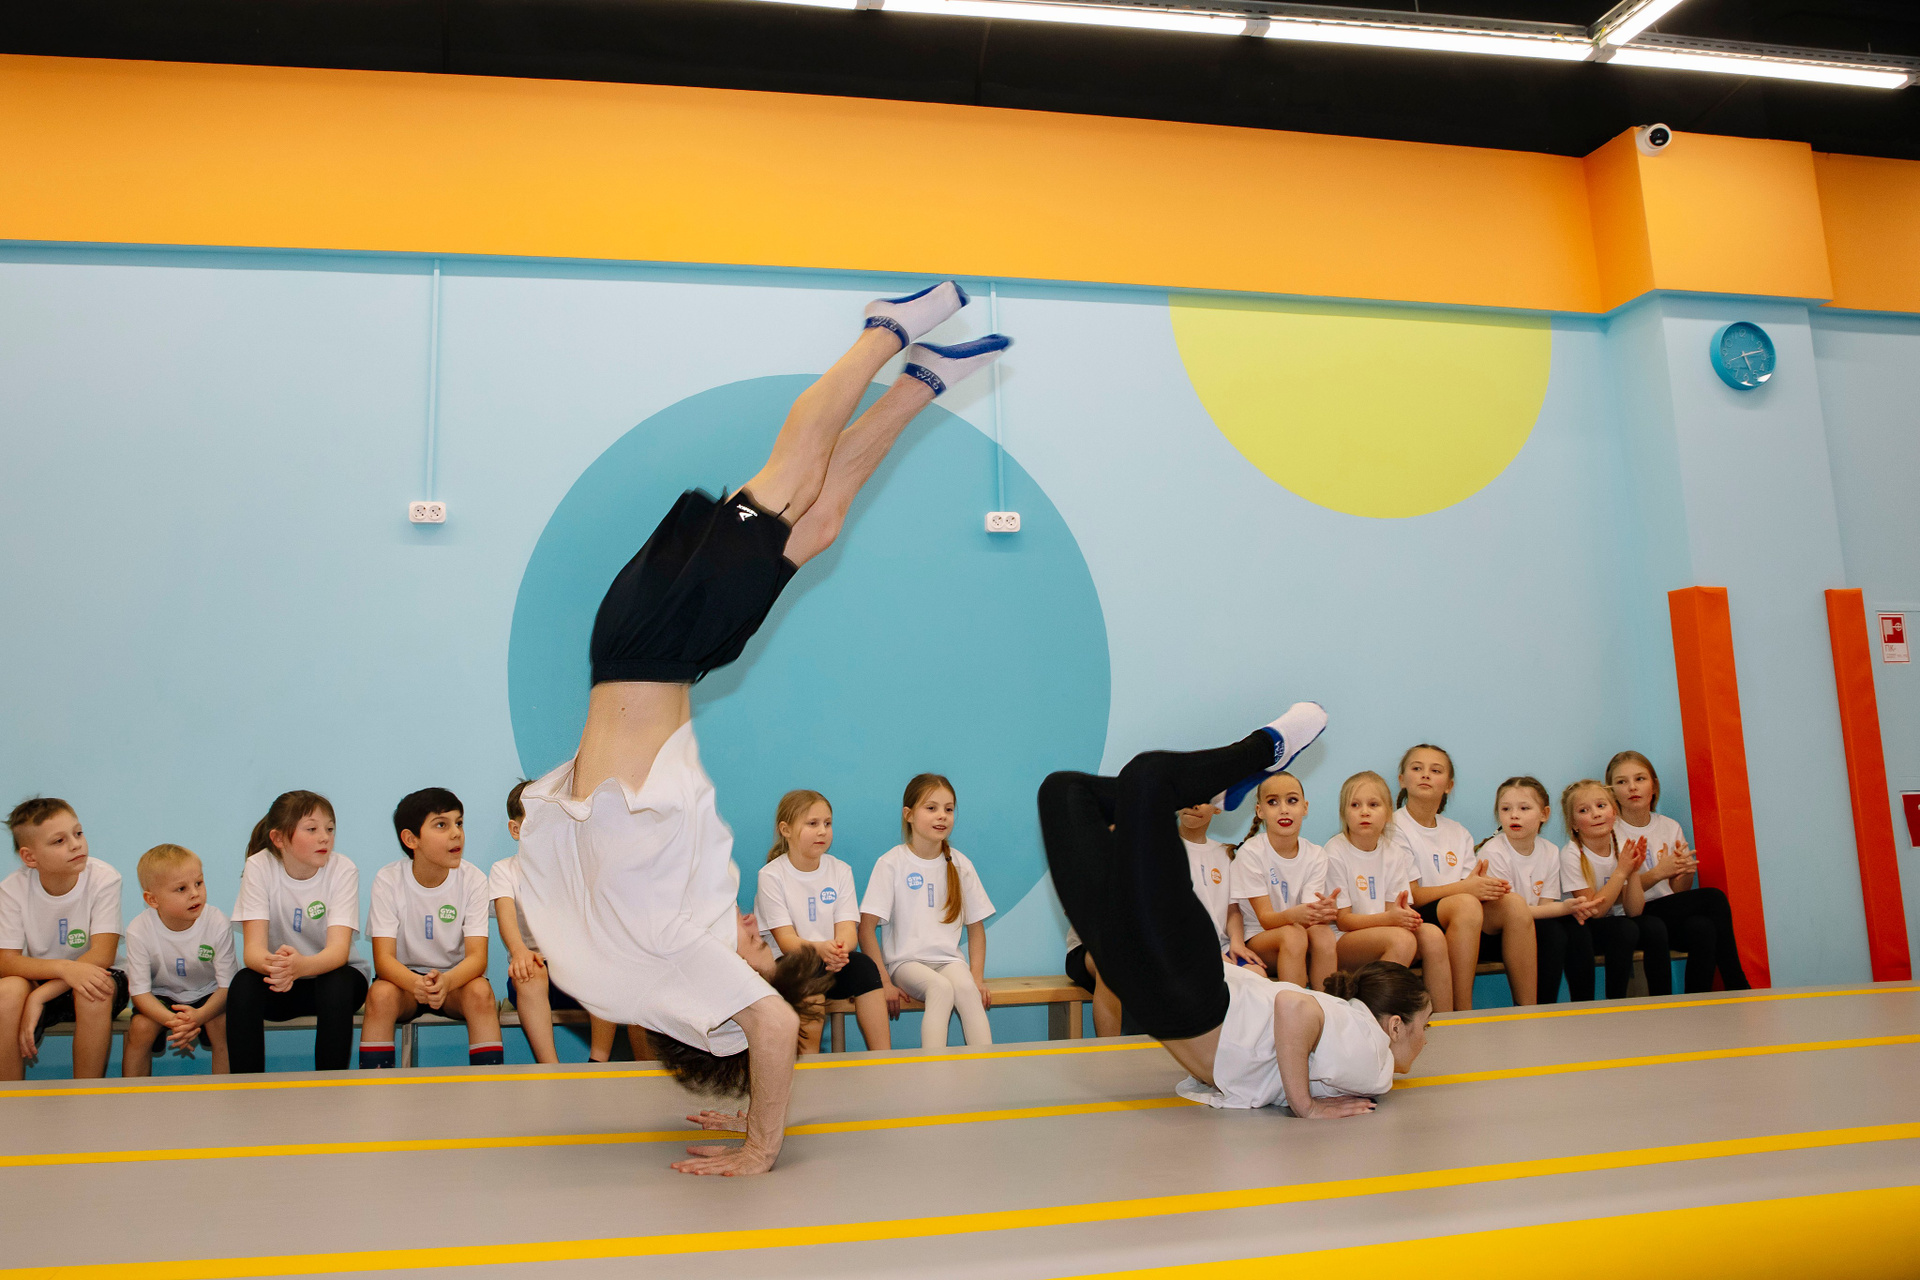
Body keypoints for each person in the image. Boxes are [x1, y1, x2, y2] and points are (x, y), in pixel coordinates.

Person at [514, 281, 1010, 1176]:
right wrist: (734, 1091)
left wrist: (757, 1143)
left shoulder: (665, 958)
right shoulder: (661, 951)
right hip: (685, 657)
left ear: (712, 1004)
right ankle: (923, 381)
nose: (752, 929)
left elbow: (771, 1025)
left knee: (788, 477)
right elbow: (752, 1024)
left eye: (750, 953)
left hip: (648, 641)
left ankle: (885, 330)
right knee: (816, 525)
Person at [1040, 705, 1430, 1115]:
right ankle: (1260, 754)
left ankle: (1244, 765)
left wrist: (1305, 1102)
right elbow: (1293, 1008)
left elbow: (1294, 1011)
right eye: (1426, 1025)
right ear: (1396, 1025)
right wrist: (1306, 1105)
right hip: (1184, 988)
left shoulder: (1370, 1056)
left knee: (1073, 790)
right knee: (1090, 787)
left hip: (1173, 990)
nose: (1426, 1038)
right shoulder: (1372, 1050)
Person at [493, 780, 647, 1064]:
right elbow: (506, 919)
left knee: (606, 966)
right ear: (516, 830)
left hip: (577, 977)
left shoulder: (576, 867)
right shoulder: (505, 870)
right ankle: (550, 1069)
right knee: (530, 972)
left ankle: (597, 1063)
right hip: (535, 972)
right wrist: (519, 951)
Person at [227, 791, 372, 1073]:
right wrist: (282, 968)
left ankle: (330, 1086)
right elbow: (253, 952)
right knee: (244, 985)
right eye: (312, 829)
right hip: (281, 982)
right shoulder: (258, 866)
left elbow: (338, 953)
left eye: (330, 829)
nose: (324, 838)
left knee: (337, 982)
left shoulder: (343, 869)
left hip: (333, 980)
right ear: (279, 838)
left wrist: (300, 966)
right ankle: (246, 1088)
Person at [361, 789, 502, 1070]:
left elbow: (477, 958)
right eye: (441, 825)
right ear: (411, 839)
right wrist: (417, 985)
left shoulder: (473, 879)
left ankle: (490, 1088)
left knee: (480, 993)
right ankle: (375, 1090)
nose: (456, 833)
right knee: (379, 995)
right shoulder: (388, 879)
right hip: (404, 983)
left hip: (455, 982)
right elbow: (384, 960)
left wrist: (446, 983)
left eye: (459, 823)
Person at [860, 774, 996, 1049]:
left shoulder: (960, 864)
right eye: (931, 808)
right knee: (940, 989)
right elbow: (865, 929)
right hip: (905, 964)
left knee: (967, 990)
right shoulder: (891, 863)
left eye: (949, 809)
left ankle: (985, 1068)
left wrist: (977, 978)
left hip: (949, 961)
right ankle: (933, 1070)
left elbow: (976, 928)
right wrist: (884, 981)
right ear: (908, 814)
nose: (942, 816)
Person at [1396, 745, 1537, 1008]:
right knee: (1466, 903)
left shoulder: (1457, 831)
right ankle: (1463, 1012)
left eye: (1435, 770)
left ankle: (1528, 1009)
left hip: (1460, 912)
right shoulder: (1394, 827)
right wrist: (1467, 888)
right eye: (1417, 768)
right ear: (1402, 780)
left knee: (1514, 904)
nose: (1425, 775)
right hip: (1416, 915)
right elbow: (1412, 895)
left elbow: (1470, 884)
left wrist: (1484, 887)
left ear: (1449, 785)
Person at [0, 798, 126, 1080]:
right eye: (59, 841)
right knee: (7, 991)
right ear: (30, 858)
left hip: (98, 976)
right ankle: (8, 1096)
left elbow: (102, 955)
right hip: (44, 978)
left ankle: (87, 1094)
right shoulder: (11, 889)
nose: (75, 845)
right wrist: (64, 969)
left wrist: (40, 996)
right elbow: (6, 962)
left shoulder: (104, 878)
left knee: (93, 988)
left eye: (78, 833)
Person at [756, 790, 889, 1053]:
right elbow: (786, 942)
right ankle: (810, 1064)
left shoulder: (840, 870)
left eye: (827, 823)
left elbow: (848, 931)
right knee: (809, 974)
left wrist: (839, 950)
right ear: (786, 830)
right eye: (812, 823)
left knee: (865, 968)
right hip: (791, 966)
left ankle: (884, 1060)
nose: (822, 831)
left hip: (831, 961)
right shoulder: (771, 876)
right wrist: (821, 950)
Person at [1607, 751, 1750, 993]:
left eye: (1640, 779)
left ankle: (1696, 1003)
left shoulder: (1669, 826)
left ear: (1654, 785)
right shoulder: (1610, 831)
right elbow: (1613, 896)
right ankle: (1736, 983)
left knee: (1703, 927)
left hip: (1666, 913)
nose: (1632, 787)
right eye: (1622, 781)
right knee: (1714, 898)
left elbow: (1677, 893)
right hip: (1630, 916)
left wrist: (1684, 874)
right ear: (1612, 792)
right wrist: (1658, 873)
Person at [1325, 771, 1452, 1011]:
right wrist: (1391, 919)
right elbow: (1343, 921)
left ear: (1388, 813)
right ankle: (1371, 1016)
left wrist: (1403, 917)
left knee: (1433, 936)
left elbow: (1393, 911)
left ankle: (1446, 1020)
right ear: (1343, 813)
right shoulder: (1335, 851)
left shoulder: (1393, 852)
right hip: (1343, 940)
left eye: (1373, 805)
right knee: (1401, 940)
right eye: (1355, 805)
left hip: (1382, 930)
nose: (1364, 812)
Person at [121, 843, 238, 1076]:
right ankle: (132, 1094)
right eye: (181, 889)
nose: (195, 893)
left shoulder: (217, 923)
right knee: (140, 1027)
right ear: (152, 900)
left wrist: (198, 1017)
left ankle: (226, 1092)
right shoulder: (138, 930)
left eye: (199, 883)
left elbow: (227, 987)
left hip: (210, 993)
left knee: (220, 1025)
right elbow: (140, 995)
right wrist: (176, 1022)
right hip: (162, 997)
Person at [1475, 778, 1595, 1004]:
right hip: (1498, 935)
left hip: (1532, 925)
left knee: (1575, 928)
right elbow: (1514, 913)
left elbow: (1544, 908)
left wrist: (1569, 908)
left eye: (1524, 808)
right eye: (1506, 809)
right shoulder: (1493, 852)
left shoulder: (1550, 851)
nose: (1514, 815)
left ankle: (1584, 1007)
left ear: (1544, 814)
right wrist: (1564, 907)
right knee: (1553, 932)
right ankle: (1538, 1009)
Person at [1231, 773, 1338, 989]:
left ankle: (1329, 1003)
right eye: (1273, 802)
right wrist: (1297, 915)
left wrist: (1321, 912)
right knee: (1293, 935)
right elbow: (1265, 919)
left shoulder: (1316, 854)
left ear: (1305, 808)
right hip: (1260, 939)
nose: (1284, 809)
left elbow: (1309, 915)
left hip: (1297, 932)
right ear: (1260, 811)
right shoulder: (1251, 853)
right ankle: (1296, 1005)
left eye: (1292, 800)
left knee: (1324, 934)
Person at [1560, 779, 1657, 1000]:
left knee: (1649, 927)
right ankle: (1605, 1004)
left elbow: (1634, 911)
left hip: (1609, 923)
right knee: (1623, 929)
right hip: (1579, 927)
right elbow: (1594, 912)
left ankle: (1645, 1001)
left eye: (1601, 806)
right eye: (1584, 810)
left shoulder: (1621, 844)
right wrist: (1621, 871)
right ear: (1574, 824)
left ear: (1614, 811)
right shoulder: (1571, 854)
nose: (1596, 814)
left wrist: (1633, 871)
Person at [1179, 801, 1265, 974]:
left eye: (1204, 800)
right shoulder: (1161, 850)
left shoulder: (1224, 854)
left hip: (1222, 947)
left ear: (1218, 807)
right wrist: (1209, 952)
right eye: (1188, 796)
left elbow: (1232, 910)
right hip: (1184, 947)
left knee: (1258, 973)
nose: (1194, 805)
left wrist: (1237, 943)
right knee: (1223, 977)